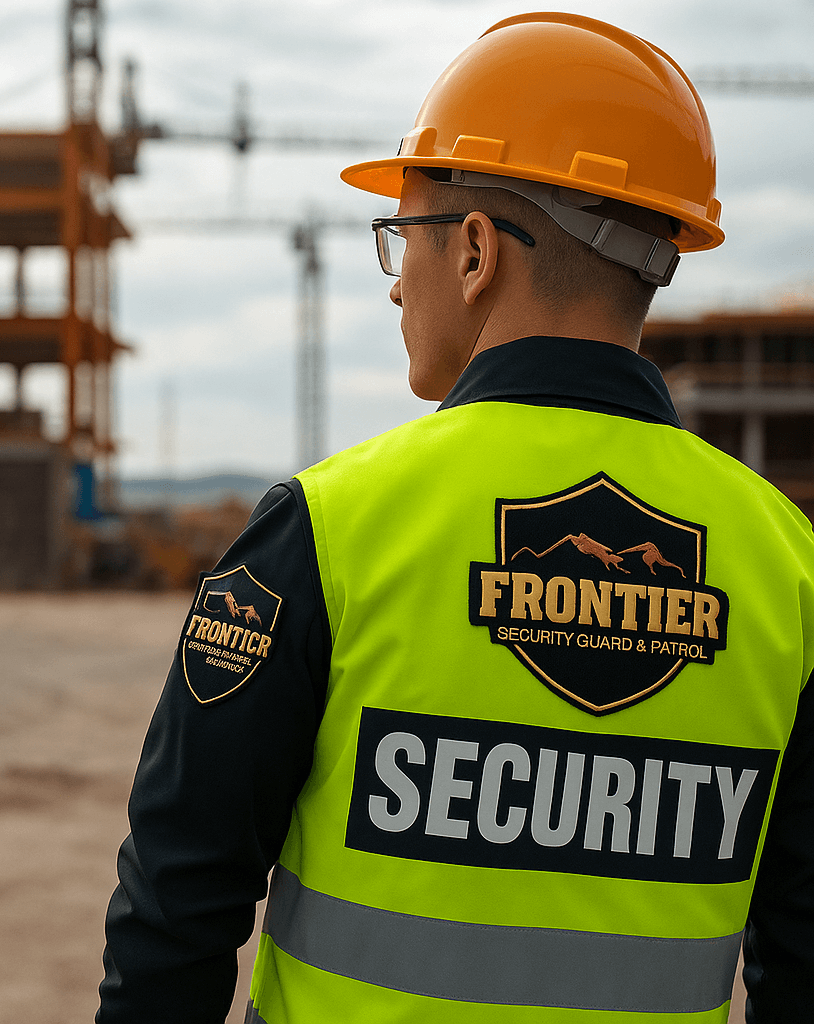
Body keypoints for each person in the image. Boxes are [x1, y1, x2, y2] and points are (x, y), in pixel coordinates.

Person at [97, 13, 814, 1023]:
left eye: (405, 234)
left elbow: (175, 907)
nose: (397, 282)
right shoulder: (787, 567)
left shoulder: (327, 529)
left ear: (475, 250)